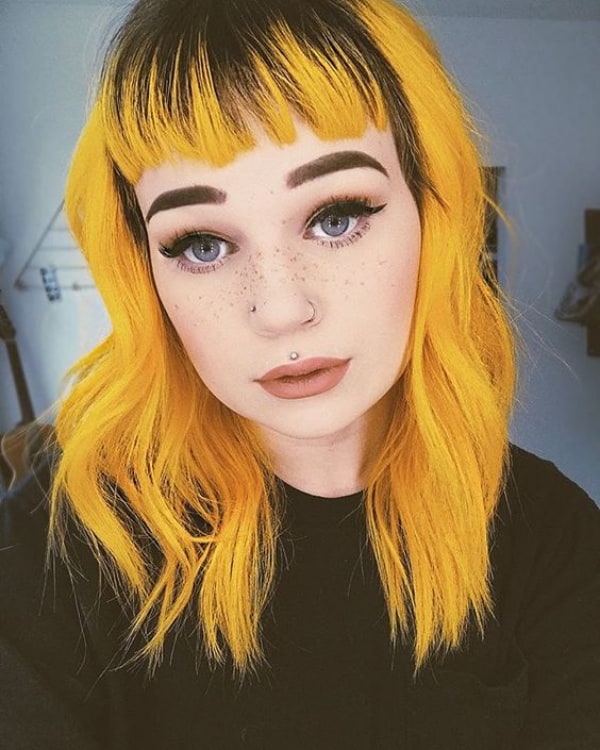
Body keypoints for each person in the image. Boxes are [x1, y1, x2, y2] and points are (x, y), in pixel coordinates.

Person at [1, 0, 598, 747]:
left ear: (431, 217)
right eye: (202, 245)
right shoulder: (52, 550)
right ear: (146, 275)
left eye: (336, 217)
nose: (281, 310)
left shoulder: (552, 539)